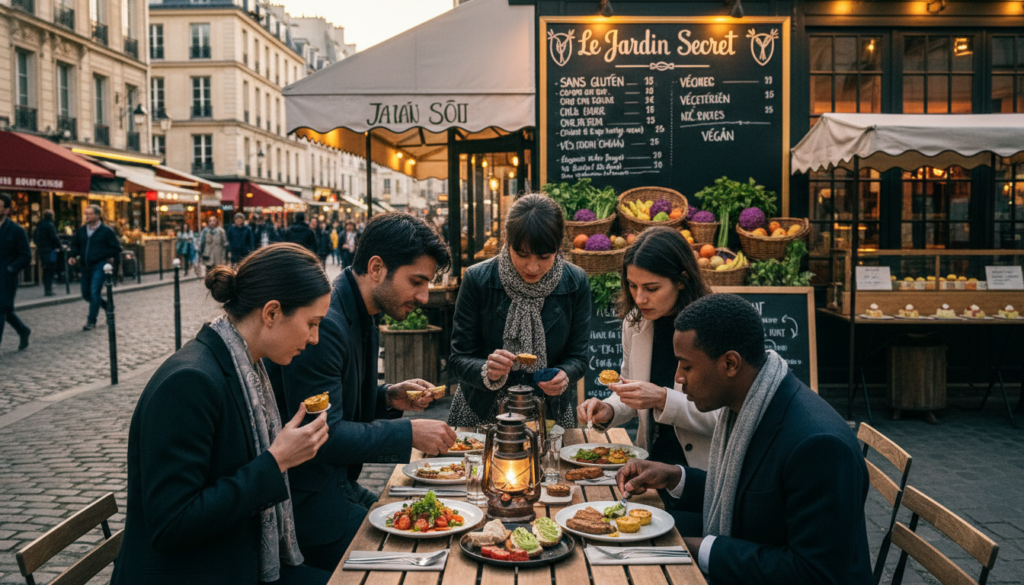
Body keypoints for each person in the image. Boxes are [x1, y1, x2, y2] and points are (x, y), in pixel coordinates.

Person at [111, 244, 333, 585]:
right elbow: (171, 523)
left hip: (236, 562)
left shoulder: (246, 367)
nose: (315, 338)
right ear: (271, 313)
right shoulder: (191, 381)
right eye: (312, 323)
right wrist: (276, 462)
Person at [616, 293, 873, 585]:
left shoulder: (818, 444)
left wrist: (696, 549)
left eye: (686, 366)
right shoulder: (756, 403)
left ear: (730, 364)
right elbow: (749, 497)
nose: (678, 378)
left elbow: (815, 573)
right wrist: (675, 476)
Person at [268, 212, 457, 571]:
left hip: (335, 489)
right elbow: (323, 436)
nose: (423, 295)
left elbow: (336, 400)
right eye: (416, 281)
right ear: (376, 267)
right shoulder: (329, 323)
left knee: (432, 529)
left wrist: (386, 396)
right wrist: (409, 432)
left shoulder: (358, 308)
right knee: (419, 561)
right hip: (307, 508)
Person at [576, 227, 717, 534]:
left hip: (702, 482)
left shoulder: (714, 327)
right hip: (649, 476)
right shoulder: (635, 323)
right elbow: (634, 388)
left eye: (651, 288)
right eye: (632, 286)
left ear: (681, 281)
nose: (640, 298)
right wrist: (609, 410)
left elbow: (728, 418)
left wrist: (663, 399)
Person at [448, 193, 591, 429]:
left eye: (544, 256)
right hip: (479, 411)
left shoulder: (575, 282)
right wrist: (486, 370)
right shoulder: (478, 279)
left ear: (558, 247)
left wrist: (565, 374)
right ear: (507, 241)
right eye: (522, 255)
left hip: (548, 413)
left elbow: (578, 357)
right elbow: (458, 358)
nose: (532, 267)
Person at [68, 204, 122, 331]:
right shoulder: (81, 231)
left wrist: (102, 256)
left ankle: (91, 321)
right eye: (86, 214)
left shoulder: (106, 231)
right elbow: (76, 245)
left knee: (94, 292)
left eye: (90, 214)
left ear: (97, 216)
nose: (87, 216)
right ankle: (108, 305)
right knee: (86, 294)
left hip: (100, 265)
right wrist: (73, 255)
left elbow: (116, 248)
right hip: (85, 265)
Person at [0, 193, 32, 351]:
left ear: (6, 210)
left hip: (5, 277)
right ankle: (23, 330)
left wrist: (11, 268)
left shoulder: (16, 231)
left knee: (0, 309)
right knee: (6, 310)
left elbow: (25, 255)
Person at [33, 209, 61, 297]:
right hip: (50, 249)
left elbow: (34, 236)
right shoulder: (50, 225)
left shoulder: (40, 225)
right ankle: (48, 289)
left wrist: (39, 244)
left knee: (46, 269)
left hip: (42, 249)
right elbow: (54, 237)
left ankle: (47, 289)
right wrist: (59, 246)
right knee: (50, 270)